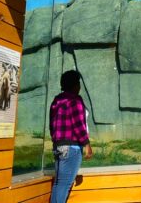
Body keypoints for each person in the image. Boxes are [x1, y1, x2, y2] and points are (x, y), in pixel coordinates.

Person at [49, 70, 93, 203]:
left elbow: (52, 125)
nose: (79, 86)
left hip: (59, 146)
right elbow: (78, 124)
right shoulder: (75, 100)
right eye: (78, 83)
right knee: (64, 185)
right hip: (72, 147)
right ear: (75, 85)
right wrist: (87, 144)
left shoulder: (57, 100)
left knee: (58, 184)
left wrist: (56, 142)